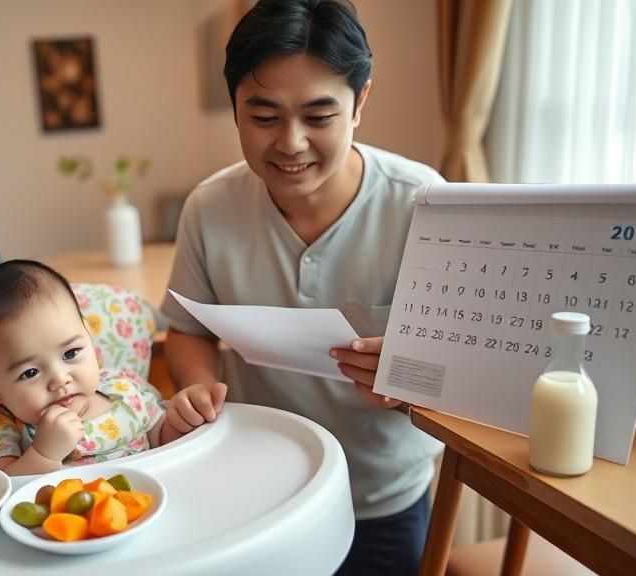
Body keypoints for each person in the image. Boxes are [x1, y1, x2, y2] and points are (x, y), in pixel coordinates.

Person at [159, 1, 444, 574]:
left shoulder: (424, 205)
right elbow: (187, 332)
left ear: (360, 102)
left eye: (318, 117)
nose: (290, 143)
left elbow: (458, 370)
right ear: (234, 106)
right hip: (257, 488)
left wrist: (410, 376)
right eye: (264, 117)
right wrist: (195, 390)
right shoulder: (210, 208)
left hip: (383, 498)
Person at [0, 259, 227, 474]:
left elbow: (158, 437)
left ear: (89, 339)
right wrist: (45, 454)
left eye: (70, 353)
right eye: (30, 372)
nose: (60, 379)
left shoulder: (123, 389)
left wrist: (181, 419)